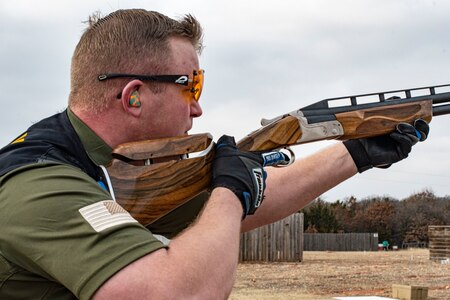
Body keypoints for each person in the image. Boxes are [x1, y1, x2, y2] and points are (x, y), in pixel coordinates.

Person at [0, 9, 429, 300]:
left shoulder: (110, 168)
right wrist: (230, 189)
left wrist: (355, 153)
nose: (197, 106)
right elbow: (178, 292)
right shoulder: (39, 183)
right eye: (191, 85)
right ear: (134, 97)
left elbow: (243, 206)